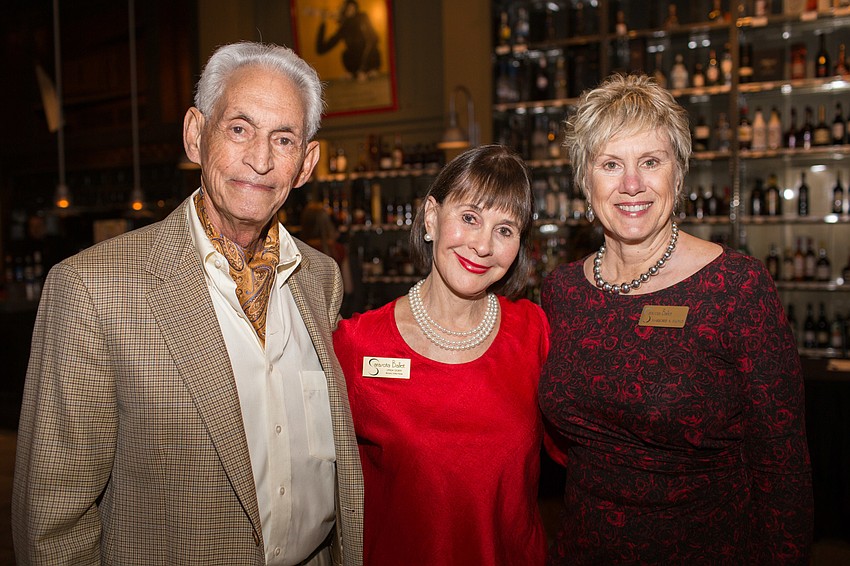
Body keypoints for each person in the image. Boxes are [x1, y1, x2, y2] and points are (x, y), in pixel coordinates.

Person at [12, 42, 363, 566]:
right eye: (239, 129)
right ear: (196, 135)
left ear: (307, 163)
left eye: (283, 139)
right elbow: (53, 518)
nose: (260, 160)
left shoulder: (319, 278)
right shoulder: (93, 287)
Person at [539, 73, 813, 564]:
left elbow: (783, 469)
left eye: (650, 161)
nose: (631, 185)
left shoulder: (737, 288)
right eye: (610, 164)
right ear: (584, 180)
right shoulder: (562, 292)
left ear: (678, 174)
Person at [333, 144, 549, 565]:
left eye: (504, 230)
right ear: (431, 217)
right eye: (469, 218)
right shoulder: (357, 345)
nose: (483, 245)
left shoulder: (534, 333)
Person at [316, 0, 381, 81]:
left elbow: (372, 41)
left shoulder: (362, 18)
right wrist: (323, 23)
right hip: (355, 67)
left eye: (352, 9)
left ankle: (367, 71)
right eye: (348, 10)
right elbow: (321, 49)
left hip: (369, 61)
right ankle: (354, 73)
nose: (350, 11)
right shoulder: (344, 28)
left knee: (364, 45)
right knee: (346, 53)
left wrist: (363, 69)